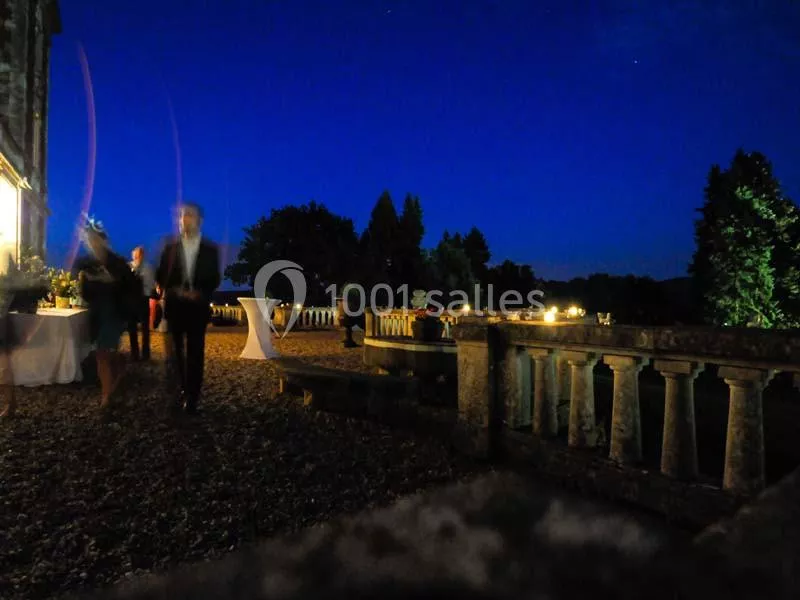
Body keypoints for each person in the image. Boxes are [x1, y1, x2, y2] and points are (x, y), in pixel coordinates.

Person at [156, 202, 221, 415]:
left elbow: (215, 278)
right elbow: (161, 276)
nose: (184, 219)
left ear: (199, 220)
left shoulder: (210, 249)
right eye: (182, 216)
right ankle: (180, 389)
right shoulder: (170, 248)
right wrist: (175, 290)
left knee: (195, 351)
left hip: (197, 307)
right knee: (176, 352)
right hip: (176, 305)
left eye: (189, 215)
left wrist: (199, 292)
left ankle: (192, 396)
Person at [76, 217, 141, 408]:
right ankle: (109, 389)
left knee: (103, 352)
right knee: (102, 353)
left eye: (95, 239)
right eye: (89, 239)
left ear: (104, 240)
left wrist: (111, 282)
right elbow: (85, 294)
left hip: (115, 313)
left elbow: (132, 288)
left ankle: (106, 395)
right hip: (98, 314)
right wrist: (85, 281)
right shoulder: (87, 264)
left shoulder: (118, 262)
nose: (92, 243)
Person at [127, 246, 155, 361]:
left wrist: (144, 291)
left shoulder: (148, 268)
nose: (137, 257)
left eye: (139, 255)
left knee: (145, 329)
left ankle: (145, 354)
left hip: (143, 300)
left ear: (143, 255)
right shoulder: (128, 267)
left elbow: (150, 285)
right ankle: (134, 353)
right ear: (133, 255)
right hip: (131, 301)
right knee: (132, 329)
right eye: (135, 255)